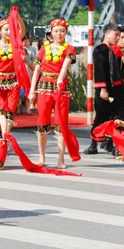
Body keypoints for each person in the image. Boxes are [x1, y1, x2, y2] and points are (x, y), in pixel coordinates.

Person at [28, 19, 80, 169]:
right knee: (42, 123)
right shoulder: (44, 48)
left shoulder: (70, 49)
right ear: (51, 32)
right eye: (56, 31)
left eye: (62, 31)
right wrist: (32, 90)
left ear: (66, 32)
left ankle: (61, 159)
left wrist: (60, 80)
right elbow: (36, 70)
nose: (59, 33)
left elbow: (65, 66)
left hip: (61, 88)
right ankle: (42, 157)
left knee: (61, 123)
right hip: (44, 86)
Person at [84, 23, 121, 155]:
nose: (117, 38)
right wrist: (103, 89)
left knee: (114, 116)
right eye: (115, 35)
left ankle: (109, 143)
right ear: (107, 34)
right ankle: (93, 144)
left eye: (118, 35)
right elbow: (100, 71)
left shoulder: (112, 51)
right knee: (101, 116)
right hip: (104, 90)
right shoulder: (100, 50)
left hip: (114, 89)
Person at [0, 18, 23, 131]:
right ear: (0, 31)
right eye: (6, 29)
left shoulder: (15, 45)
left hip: (13, 82)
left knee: (10, 110)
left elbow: (23, 30)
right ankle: (0, 136)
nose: (9, 32)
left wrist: (18, 17)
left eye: (12, 29)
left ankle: (5, 137)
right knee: (0, 110)